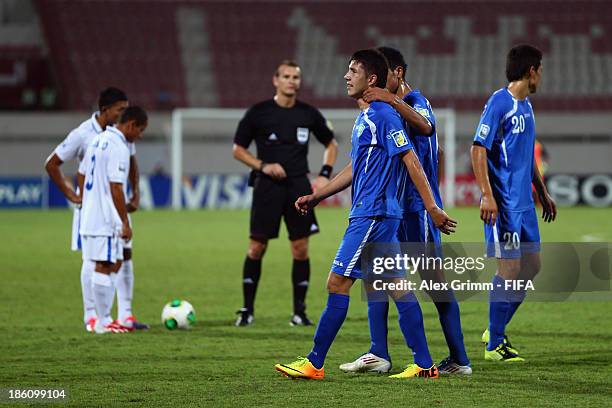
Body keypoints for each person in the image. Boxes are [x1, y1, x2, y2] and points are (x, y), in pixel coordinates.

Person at [274, 49, 456, 380]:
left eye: (353, 71)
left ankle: (315, 362)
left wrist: (432, 207)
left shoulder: (384, 116)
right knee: (397, 285)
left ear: (371, 79)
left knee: (337, 282)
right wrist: (318, 195)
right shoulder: (368, 117)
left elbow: (412, 160)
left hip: (373, 215)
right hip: (377, 215)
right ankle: (424, 363)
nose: (346, 76)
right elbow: (357, 167)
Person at [339, 46, 471, 375]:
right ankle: (378, 352)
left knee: (434, 283)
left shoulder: (414, 102)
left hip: (417, 211)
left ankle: (459, 359)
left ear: (397, 73)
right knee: (375, 276)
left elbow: (426, 128)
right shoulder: (384, 111)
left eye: (383, 78)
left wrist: (390, 98)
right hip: (392, 209)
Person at [232, 60, 338, 326]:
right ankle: (247, 310)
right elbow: (238, 149)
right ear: (275, 80)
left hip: (299, 187)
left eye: (296, 77)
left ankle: (299, 312)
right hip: (266, 186)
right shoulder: (259, 113)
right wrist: (263, 165)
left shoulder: (309, 113)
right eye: (287, 76)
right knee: (256, 247)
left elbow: (331, 143)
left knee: (300, 248)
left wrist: (325, 174)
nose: (292, 81)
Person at [471, 44, 556, 361]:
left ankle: (495, 327)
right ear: (531, 70)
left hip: (525, 206)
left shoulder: (527, 106)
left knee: (532, 267)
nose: (542, 77)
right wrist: (487, 194)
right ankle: (495, 344)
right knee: (508, 269)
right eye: (541, 70)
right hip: (504, 206)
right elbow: (478, 148)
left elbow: (525, 154)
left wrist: (542, 192)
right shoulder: (499, 103)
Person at [45, 87, 147, 332]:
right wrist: (75, 196)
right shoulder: (84, 134)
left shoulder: (118, 138)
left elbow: (130, 164)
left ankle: (124, 315)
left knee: (121, 257)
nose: (123, 113)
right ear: (105, 110)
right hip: (104, 209)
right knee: (95, 261)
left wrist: (135, 191)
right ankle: (94, 316)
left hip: (114, 205)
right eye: (120, 110)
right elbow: (53, 164)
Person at [78, 106, 148, 334]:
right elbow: (116, 186)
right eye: (141, 130)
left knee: (110, 262)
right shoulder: (118, 146)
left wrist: (85, 200)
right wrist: (124, 222)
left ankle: (103, 319)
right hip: (106, 217)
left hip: (90, 213)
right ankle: (104, 321)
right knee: (105, 265)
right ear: (131, 125)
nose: (141, 135)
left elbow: (81, 172)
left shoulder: (99, 140)